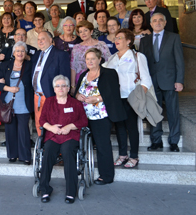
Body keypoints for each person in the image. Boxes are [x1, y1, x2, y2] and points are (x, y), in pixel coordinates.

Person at [75, 48, 126, 185]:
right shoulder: (83, 75)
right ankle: (81, 172)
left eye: (93, 58)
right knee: (82, 145)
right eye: (87, 59)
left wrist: (97, 99)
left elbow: (114, 94)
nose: (90, 61)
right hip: (84, 117)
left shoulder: (109, 73)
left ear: (99, 59)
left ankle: (106, 175)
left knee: (103, 146)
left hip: (101, 116)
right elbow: (76, 92)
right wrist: (77, 96)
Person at [103, 29, 153, 168]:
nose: (116, 40)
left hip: (131, 97)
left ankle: (134, 156)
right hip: (116, 98)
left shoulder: (138, 56)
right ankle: (123, 154)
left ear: (129, 41)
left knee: (131, 127)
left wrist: (138, 96)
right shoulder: (112, 58)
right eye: (115, 37)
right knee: (119, 127)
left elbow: (146, 80)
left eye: (120, 37)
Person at [139, 13, 185, 152]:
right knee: (154, 112)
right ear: (151, 24)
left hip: (170, 80)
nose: (157, 22)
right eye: (154, 20)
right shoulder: (144, 41)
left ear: (165, 23)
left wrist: (179, 80)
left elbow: (180, 61)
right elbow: (141, 63)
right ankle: (156, 141)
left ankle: (174, 141)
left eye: (160, 20)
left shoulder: (174, 37)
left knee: (172, 112)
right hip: (151, 82)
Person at [39, 75, 88, 204]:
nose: (61, 88)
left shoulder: (75, 103)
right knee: (48, 150)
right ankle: (44, 189)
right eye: (58, 86)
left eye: (64, 86)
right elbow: (42, 120)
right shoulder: (49, 102)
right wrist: (51, 128)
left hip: (70, 136)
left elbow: (83, 120)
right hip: (53, 135)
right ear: (54, 88)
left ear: (68, 88)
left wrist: (70, 127)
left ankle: (71, 191)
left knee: (67, 151)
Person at [0, 41, 33, 164]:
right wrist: (8, 88)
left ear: (25, 53)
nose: (20, 53)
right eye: (17, 51)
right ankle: (12, 155)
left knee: (23, 131)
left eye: (22, 51)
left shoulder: (30, 65)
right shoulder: (6, 65)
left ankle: (25, 156)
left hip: (24, 103)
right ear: (13, 53)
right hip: (8, 104)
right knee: (10, 130)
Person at [32, 31, 71, 136]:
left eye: (43, 39)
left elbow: (65, 77)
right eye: (39, 39)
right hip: (37, 96)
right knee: (39, 123)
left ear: (50, 40)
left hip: (52, 97)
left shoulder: (60, 54)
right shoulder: (36, 55)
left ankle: (53, 149)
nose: (40, 41)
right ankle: (42, 148)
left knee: (54, 124)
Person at [70, 21, 111, 94]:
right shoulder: (76, 48)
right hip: (81, 80)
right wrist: (73, 85)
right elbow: (73, 67)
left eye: (85, 30)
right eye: (80, 32)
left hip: (99, 78)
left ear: (91, 31)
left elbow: (109, 62)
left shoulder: (101, 45)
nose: (83, 33)